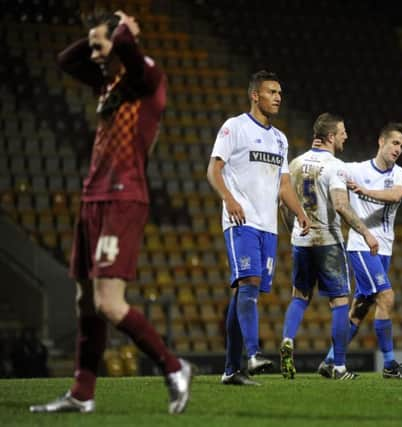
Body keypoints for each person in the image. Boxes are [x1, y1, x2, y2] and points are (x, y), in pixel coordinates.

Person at [30, 11, 192, 414]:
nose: (95, 54)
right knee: (86, 301)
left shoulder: (145, 77)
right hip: (92, 199)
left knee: (108, 303)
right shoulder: (108, 84)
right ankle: (82, 394)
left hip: (124, 197)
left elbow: (128, 53)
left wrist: (122, 30)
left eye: (101, 45)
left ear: (120, 39)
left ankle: (174, 367)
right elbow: (65, 61)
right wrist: (96, 40)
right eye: (94, 47)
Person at [207, 70, 310, 386]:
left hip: (268, 228)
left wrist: (302, 213)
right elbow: (213, 170)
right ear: (255, 95)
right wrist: (228, 199)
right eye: (271, 91)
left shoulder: (280, 139)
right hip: (241, 220)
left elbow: (284, 186)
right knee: (249, 281)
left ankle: (230, 370)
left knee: (244, 291)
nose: (278, 97)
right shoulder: (234, 127)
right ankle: (252, 355)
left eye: (280, 92)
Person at [279, 113, 379, 381]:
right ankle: (339, 367)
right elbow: (341, 206)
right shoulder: (336, 166)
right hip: (328, 241)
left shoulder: (296, 163)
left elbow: (283, 204)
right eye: (343, 132)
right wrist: (366, 232)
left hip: (301, 240)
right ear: (331, 137)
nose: (346, 136)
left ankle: (288, 339)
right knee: (339, 302)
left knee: (299, 296)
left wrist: (294, 233)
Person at [317, 122, 402, 380]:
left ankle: (329, 361)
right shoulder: (355, 169)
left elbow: (395, 196)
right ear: (381, 142)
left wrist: (365, 192)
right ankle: (389, 365)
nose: (398, 149)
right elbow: (328, 168)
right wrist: (317, 153)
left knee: (360, 309)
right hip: (362, 246)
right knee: (387, 297)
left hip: (384, 249)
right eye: (395, 143)